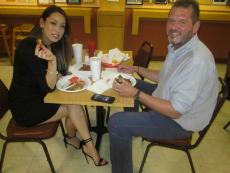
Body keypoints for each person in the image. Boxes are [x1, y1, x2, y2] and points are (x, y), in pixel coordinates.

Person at [108, 0, 218, 172]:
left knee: (116, 123)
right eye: (171, 20)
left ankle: (127, 132)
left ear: (196, 26)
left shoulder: (197, 60)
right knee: (132, 81)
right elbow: (163, 77)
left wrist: (136, 94)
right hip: (169, 100)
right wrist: (136, 69)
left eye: (182, 22)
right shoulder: (180, 47)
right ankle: (132, 129)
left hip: (180, 122)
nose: (174, 26)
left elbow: (175, 110)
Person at [9, 5, 107, 167]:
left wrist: (58, 64)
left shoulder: (49, 43)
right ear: (42, 23)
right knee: (73, 106)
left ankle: (72, 138)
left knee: (73, 103)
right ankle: (90, 148)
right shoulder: (30, 47)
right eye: (53, 23)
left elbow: (57, 75)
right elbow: (49, 86)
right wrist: (53, 61)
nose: (58, 30)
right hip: (25, 108)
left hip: (41, 97)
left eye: (62, 26)